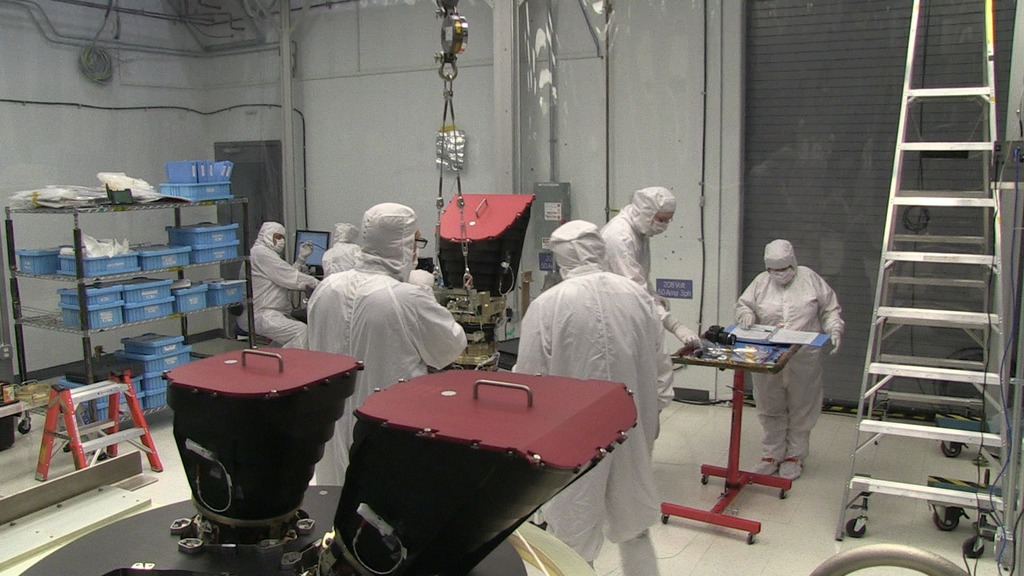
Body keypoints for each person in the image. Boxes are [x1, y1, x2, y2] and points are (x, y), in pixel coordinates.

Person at [513, 220, 672, 576]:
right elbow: (662, 366)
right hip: (631, 427)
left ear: (560, 258)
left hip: (572, 439)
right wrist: (654, 413)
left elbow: (528, 381)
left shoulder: (548, 305)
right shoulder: (636, 296)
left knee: (571, 531)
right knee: (633, 522)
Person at [307, 203, 466, 484]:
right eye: (415, 241)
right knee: (377, 511)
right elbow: (451, 346)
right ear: (402, 245)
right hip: (384, 430)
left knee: (332, 500)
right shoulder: (406, 298)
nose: (417, 250)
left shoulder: (326, 288)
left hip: (327, 428)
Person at [736, 239, 845, 480]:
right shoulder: (761, 283)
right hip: (769, 355)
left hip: (803, 355)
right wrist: (745, 314)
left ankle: (795, 455)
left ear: (794, 264)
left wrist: (834, 329)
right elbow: (745, 305)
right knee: (769, 403)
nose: (780, 275)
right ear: (767, 269)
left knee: (802, 405)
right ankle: (772, 454)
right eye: (774, 271)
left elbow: (830, 309)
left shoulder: (810, 279)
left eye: (785, 269)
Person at [601, 186, 701, 349]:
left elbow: (639, 276)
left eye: (668, 220)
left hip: (627, 314)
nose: (664, 225)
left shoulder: (640, 231)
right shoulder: (620, 237)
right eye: (661, 220)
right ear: (646, 213)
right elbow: (634, 289)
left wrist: (653, 295)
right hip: (614, 319)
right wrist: (675, 326)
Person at [244, 221, 319, 348]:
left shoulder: (263, 253)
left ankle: (272, 363)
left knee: (288, 338)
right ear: (266, 235)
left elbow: (282, 276)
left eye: (283, 238)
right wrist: (320, 284)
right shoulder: (261, 253)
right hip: (263, 313)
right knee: (301, 331)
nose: (282, 241)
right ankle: (290, 367)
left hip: (270, 312)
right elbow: (289, 277)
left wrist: (301, 259)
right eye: (278, 237)